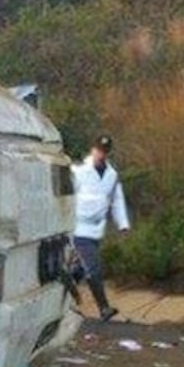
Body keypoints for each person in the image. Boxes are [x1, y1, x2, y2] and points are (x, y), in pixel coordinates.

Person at [72, 135, 130, 321]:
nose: (100, 154)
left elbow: (117, 201)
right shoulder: (79, 172)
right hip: (79, 228)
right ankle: (103, 308)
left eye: (104, 151)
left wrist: (123, 224)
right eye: (98, 149)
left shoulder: (112, 175)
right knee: (93, 269)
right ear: (92, 149)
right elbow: (67, 197)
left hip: (97, 230)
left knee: (79, 271)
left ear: (108, 152)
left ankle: (64, 305)